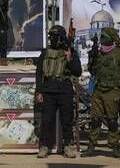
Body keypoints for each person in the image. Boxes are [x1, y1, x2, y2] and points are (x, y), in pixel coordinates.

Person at [81, 27, 120, 159]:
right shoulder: (99, 53)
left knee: (112, 121)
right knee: (95, 119)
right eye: (101, 37)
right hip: (99, 90)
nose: (102, 40)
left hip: (112, 91)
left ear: (111, 38)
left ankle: (114, 147)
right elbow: (92, 71)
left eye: (104, 37)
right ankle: (91, 146)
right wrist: (92, 57)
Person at [35, 25, 82, 159]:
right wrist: (39, 91)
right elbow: (39, 73)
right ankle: (44, 146)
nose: (53, 39)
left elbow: (77, 71)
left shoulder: (70, 52)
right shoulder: (45, 53)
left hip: (64, 90)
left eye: (56, 37)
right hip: (48, 90)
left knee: (67, 121)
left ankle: (67, 146)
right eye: (52, 37)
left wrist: (70, 59)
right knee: (47, 120)